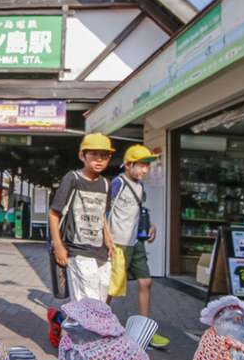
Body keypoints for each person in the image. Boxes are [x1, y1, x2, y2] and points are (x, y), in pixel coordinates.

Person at [47, 133, 115, 343]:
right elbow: (54, 213)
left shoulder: (106, 184)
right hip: (76, 249)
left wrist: (109, 240)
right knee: (88, 304)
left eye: (104, 155)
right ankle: (80, 349)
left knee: (101, 303)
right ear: (82, 156)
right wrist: (58, 246)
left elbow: (103, 215)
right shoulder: (72, 179)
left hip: (101, 252)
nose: (99, 159)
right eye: (93, 154)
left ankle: (59, 321)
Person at [106, 144, 169, 349]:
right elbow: (105, 211)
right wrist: (107, 238)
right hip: (118, 244)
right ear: (128, 165)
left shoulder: (140, 186)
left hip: (135, 242)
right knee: (111, 287)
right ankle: (96, 325)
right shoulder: (118, 183)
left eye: (147, 166)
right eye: (140, 165)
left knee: (146, 281)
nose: (144, 170)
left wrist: (149, 224)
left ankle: (144, 329)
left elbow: (137, 210)